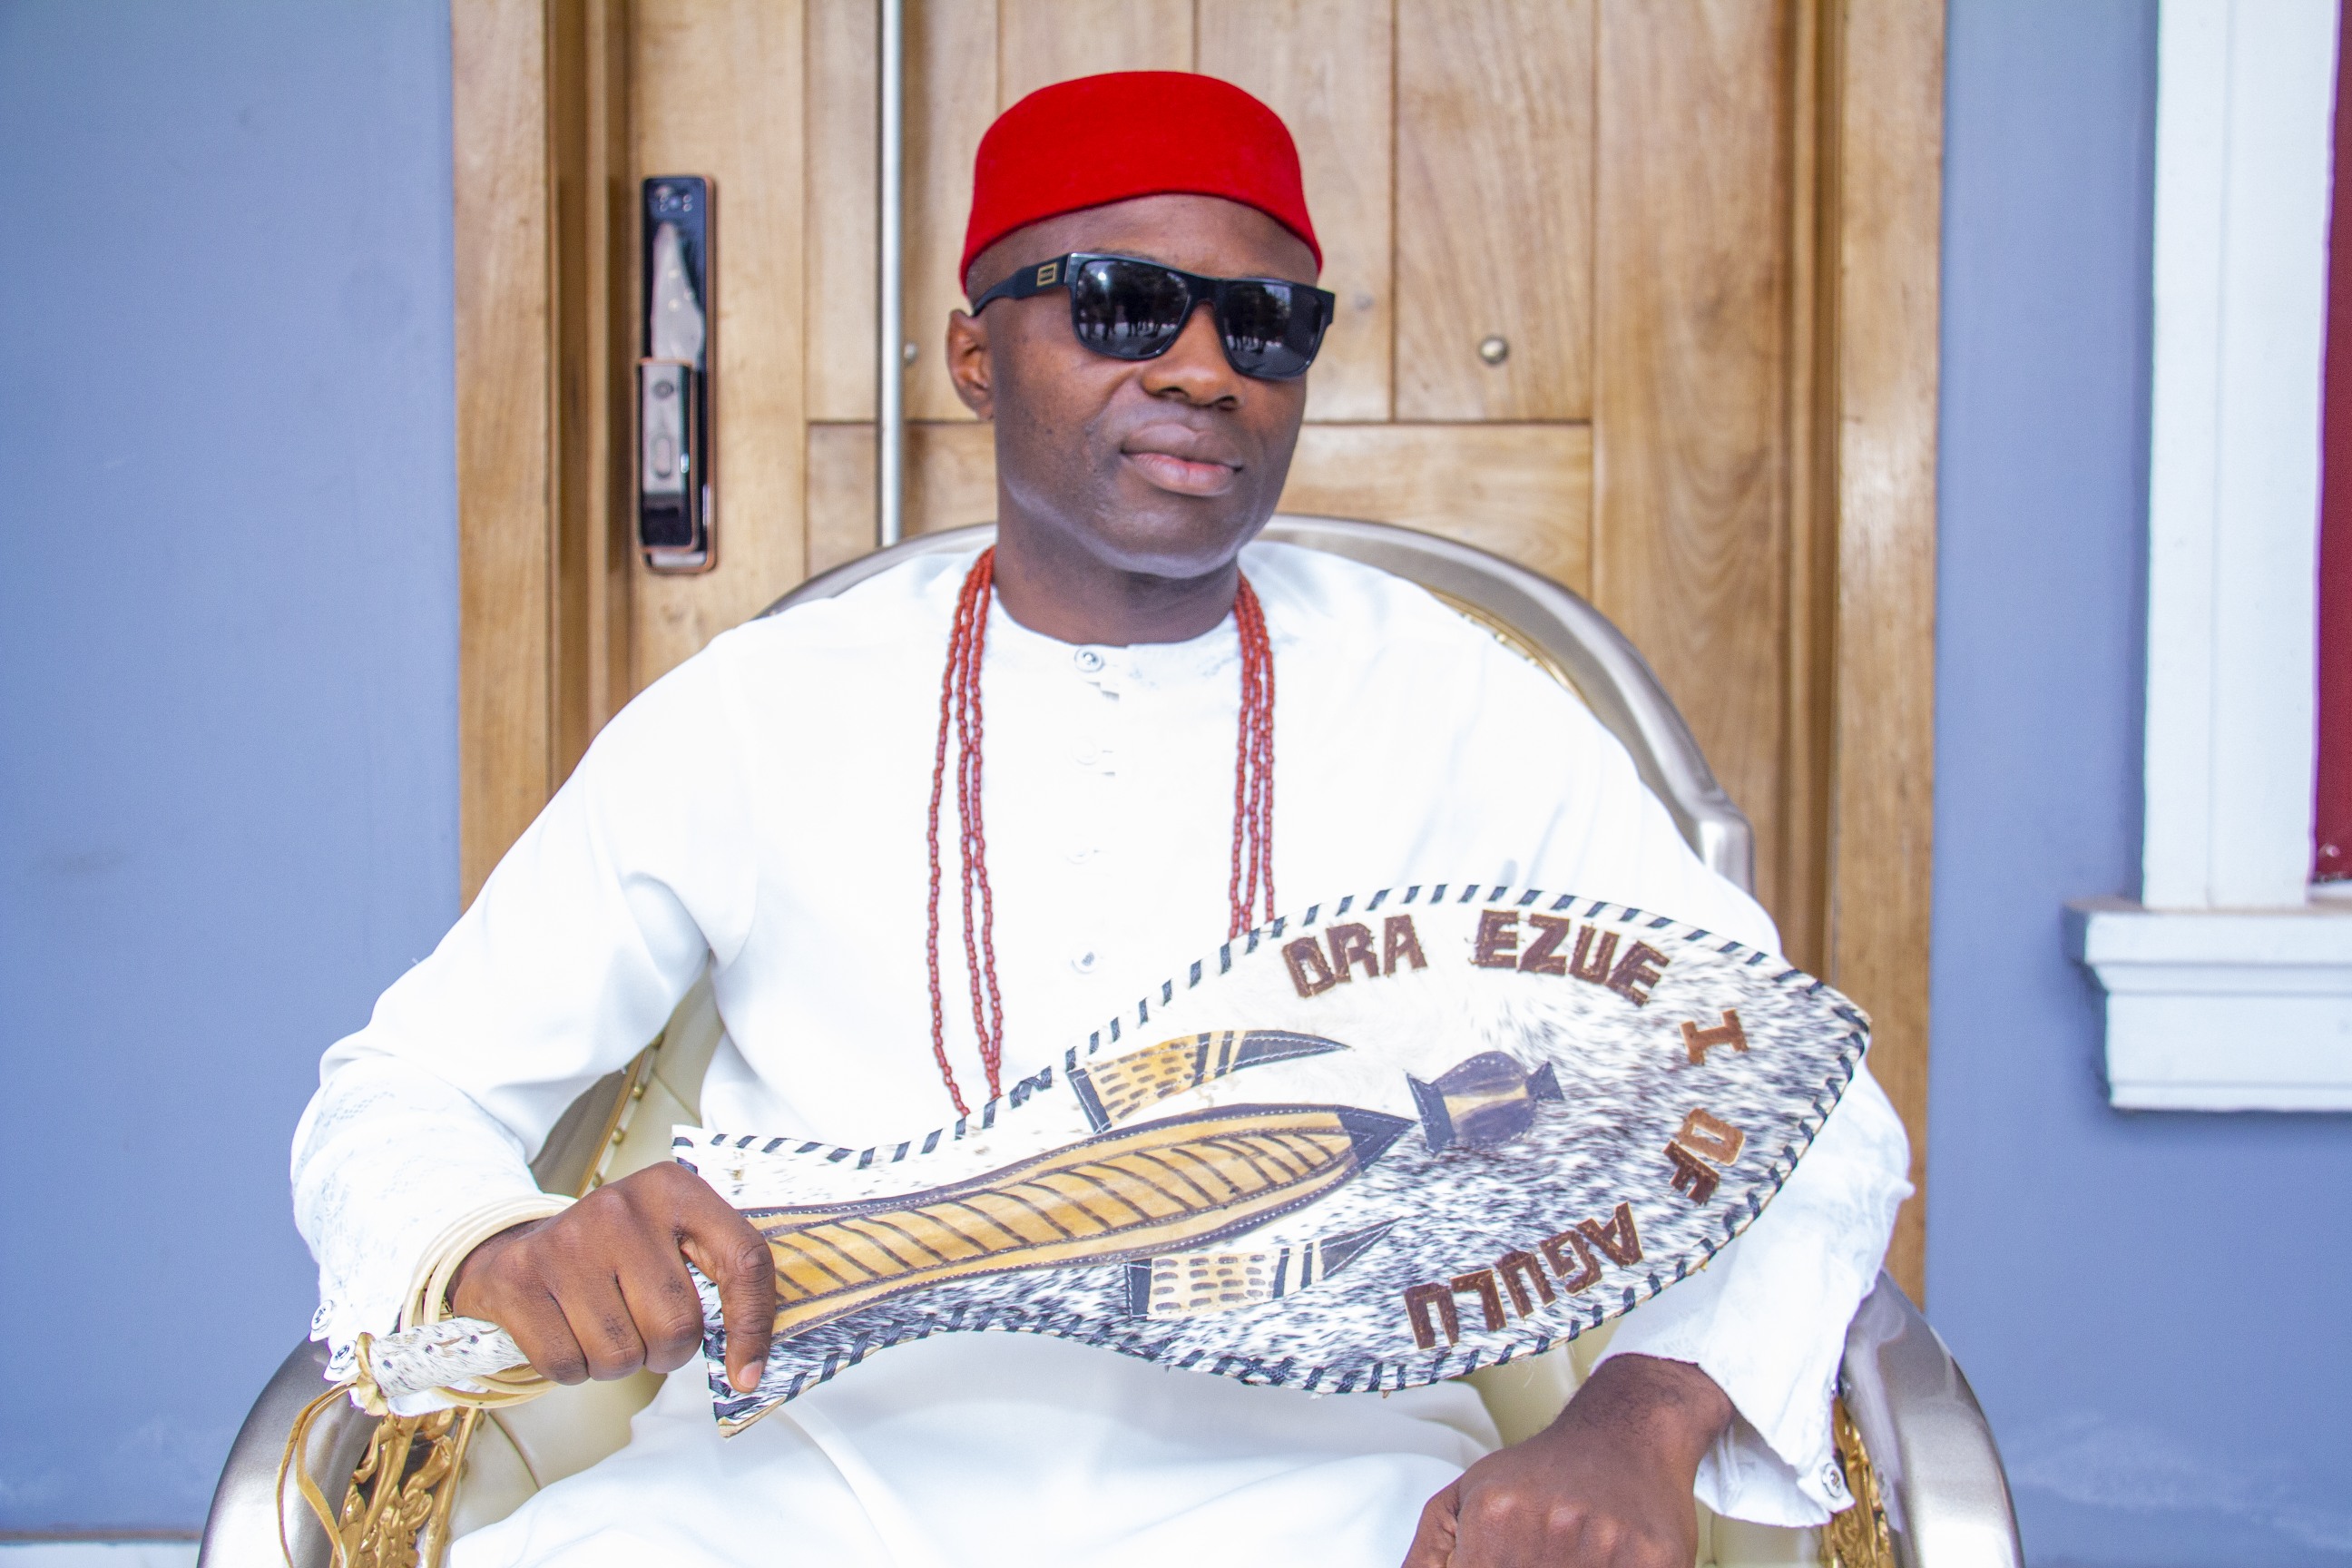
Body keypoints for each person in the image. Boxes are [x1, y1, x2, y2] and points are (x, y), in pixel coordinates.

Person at [293, 71, 1910, 1568]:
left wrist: (1638, 1422)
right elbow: (405, 1083)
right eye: (1122, 304)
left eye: (1266, 327)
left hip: (1332, 1503)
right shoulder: (761, 705)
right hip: (784, 1491)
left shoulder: (1460, 703)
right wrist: (497, 1250)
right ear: (975, 355)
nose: (1204, 369)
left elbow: (1802, 1093)